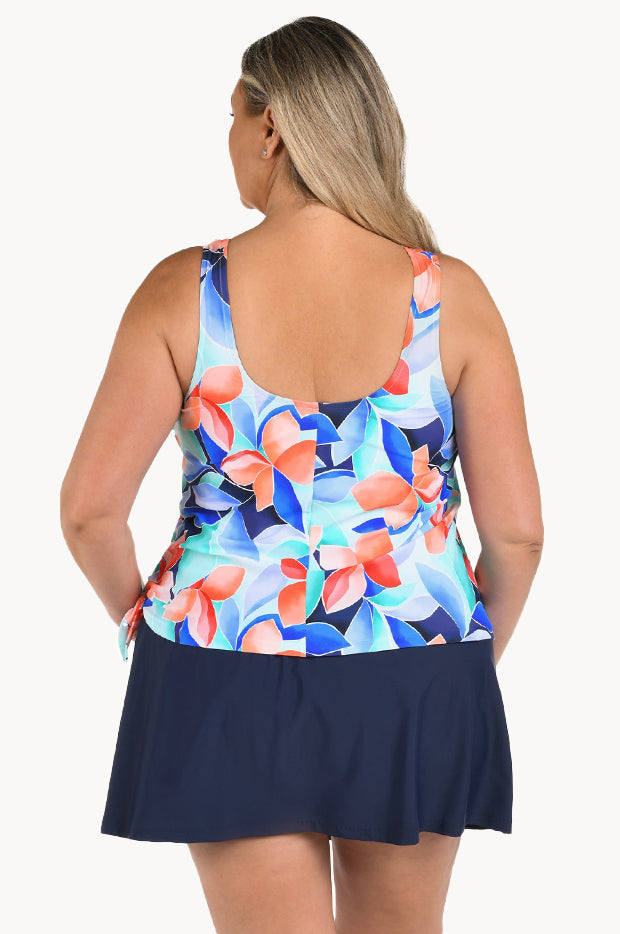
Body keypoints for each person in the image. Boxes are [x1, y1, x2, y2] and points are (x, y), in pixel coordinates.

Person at [60, 15, 543, 934]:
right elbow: (519, 535)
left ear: (271, 126)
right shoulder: (451, 296)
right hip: (416, 671)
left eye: (232, 117)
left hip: (225, 668)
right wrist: (456, 664)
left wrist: (144, 631)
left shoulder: (185, 290)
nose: (229, 139)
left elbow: (89, 512)